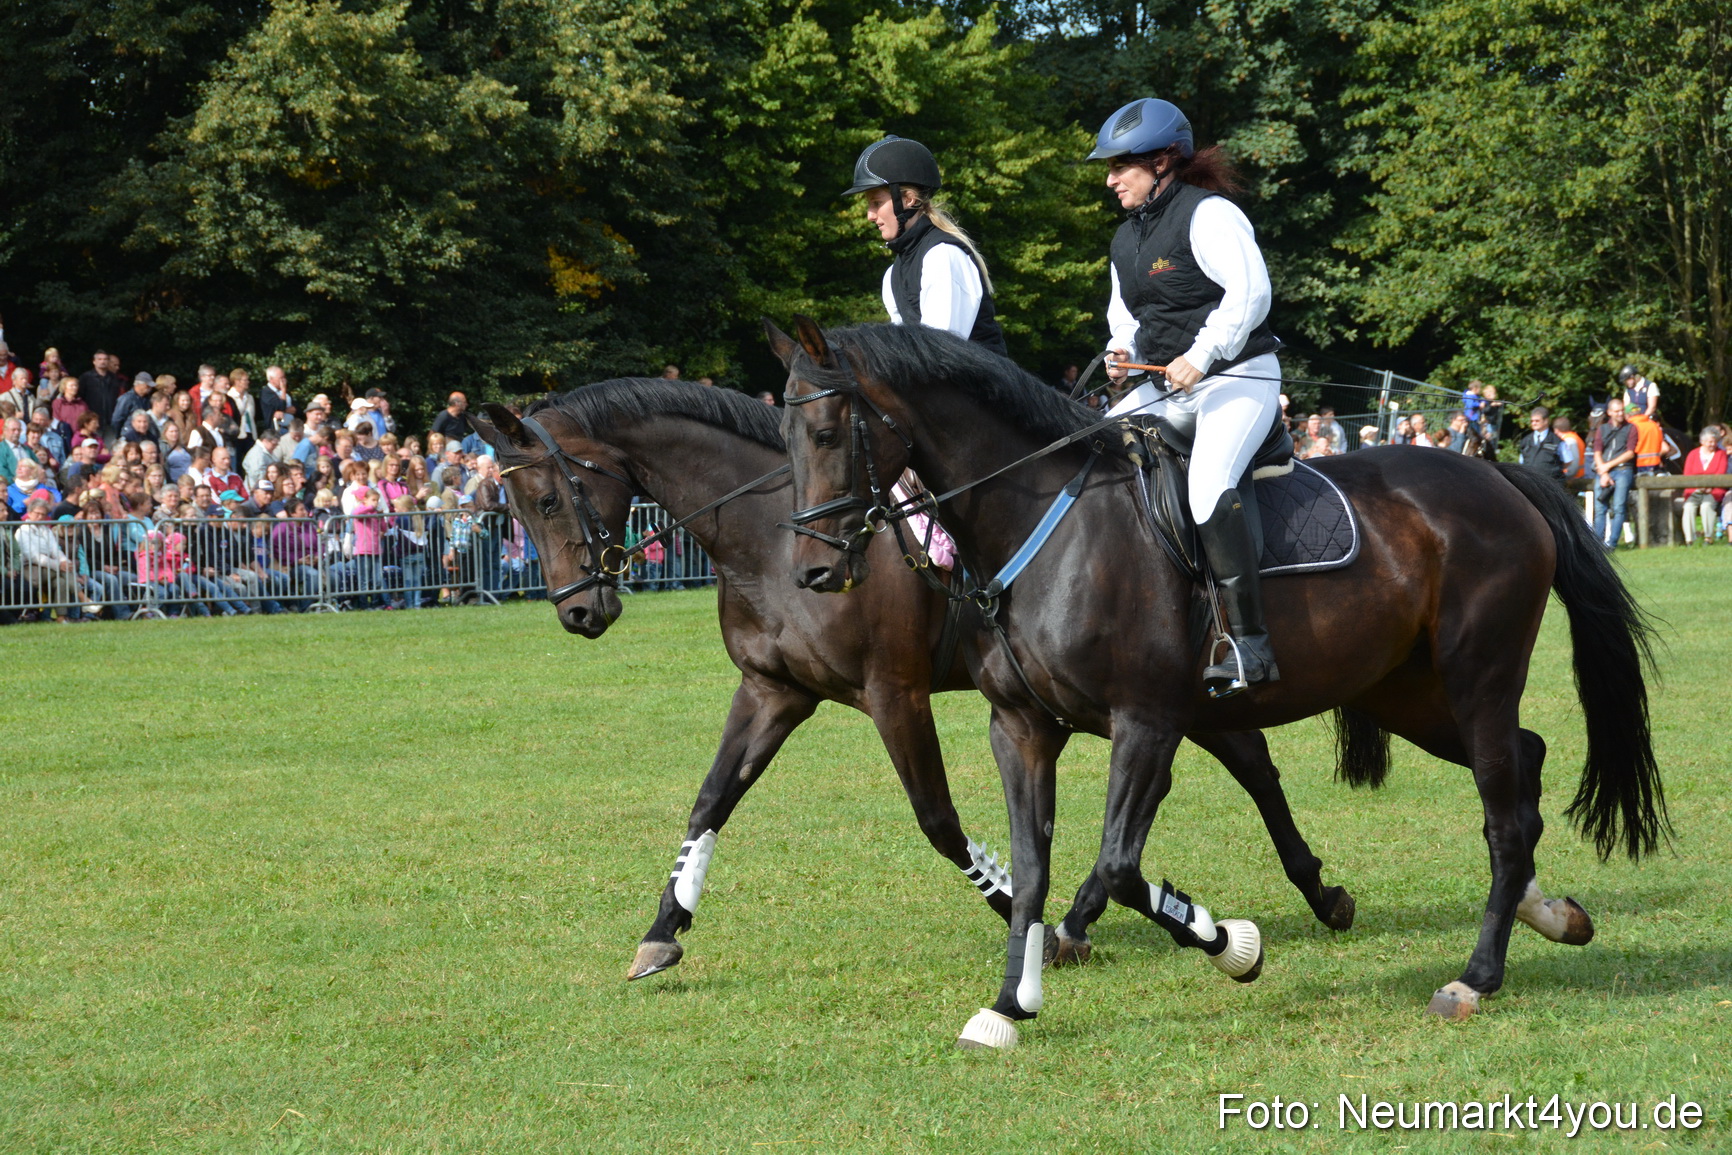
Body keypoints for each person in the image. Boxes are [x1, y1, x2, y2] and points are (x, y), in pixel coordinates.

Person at [1090, 96, 1281, 693]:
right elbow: (1127, 317)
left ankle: (1251, 645)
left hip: (1238, 378)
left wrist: (1201, 356)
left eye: (1121, 165)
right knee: (1089, 451)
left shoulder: (1210, 214)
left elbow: (1250, 294)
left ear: (1165, 159)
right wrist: (1120, 355)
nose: (1110, 178)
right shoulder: (1125, 239)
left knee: (1206, 487)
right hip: (1162, 388)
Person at [843, 136, 1008, 355]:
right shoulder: (894, 273)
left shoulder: (942, 257)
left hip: (981, 386)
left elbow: (941, 352)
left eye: (877, 203)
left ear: (908, 199)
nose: (870, 216)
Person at [1592, 397, 1636, 549]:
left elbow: (1630, 453)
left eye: (1622, 410)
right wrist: (1603, 473)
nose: (1620, 413)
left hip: (1623, 470)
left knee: (1618, 507)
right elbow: (1597, 451)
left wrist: (1607, 466)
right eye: (1617, 411)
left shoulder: (1631, 428)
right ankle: (1597, 544)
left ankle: (1612, 543)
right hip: (1604, 471)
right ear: (1609, 412)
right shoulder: (1602, 429)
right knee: (1599, 508)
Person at [1680, 427, 1727, 545]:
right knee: (1688, 508)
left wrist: (1710, 486)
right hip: (1694, 490)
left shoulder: (1721, 454)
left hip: (1713, 490)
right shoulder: (1693, 454)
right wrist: (1698, 486)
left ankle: (1708, 538)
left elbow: (1721, 472)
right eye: (1710, 442)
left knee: (1706, 507)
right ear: (1702, 441)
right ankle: (1689, 539)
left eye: (1715, 441)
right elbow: (1687, 473)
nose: (1713, 444)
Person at [1516, 406, 1575, 484]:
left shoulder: (1557, 441)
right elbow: (1522, 461)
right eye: (1532, 421)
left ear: (1546, 421)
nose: (1534, 423)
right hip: (1530, 482)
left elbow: (1568, 461)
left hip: (1552, 483)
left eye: (1537, 421)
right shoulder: (1526, 440)